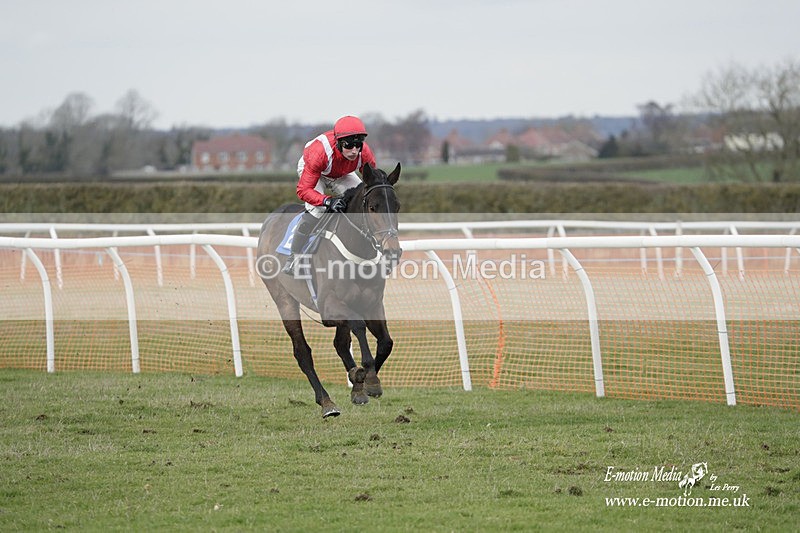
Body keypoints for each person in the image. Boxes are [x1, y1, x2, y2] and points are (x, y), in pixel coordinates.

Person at [282, 115, 377, 275]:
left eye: (358, 145)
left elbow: (372, 182)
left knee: (361, 201)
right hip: (316, 169)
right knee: (317, 210)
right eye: (349, 145)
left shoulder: (364, 153)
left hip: (341, 172)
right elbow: (303, 191)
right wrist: (327, 201)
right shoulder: (319, 153)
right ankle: (294, 258)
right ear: (339, 143)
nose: (354, 151)